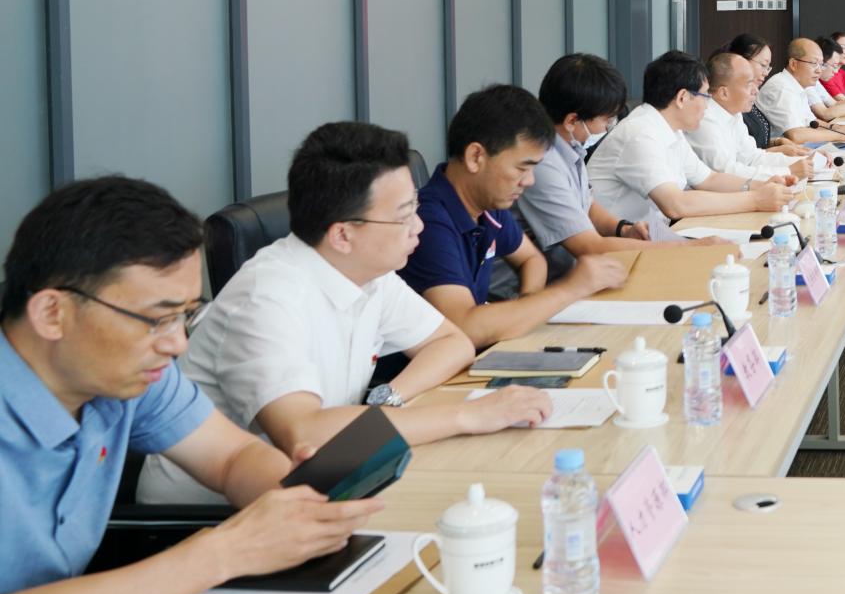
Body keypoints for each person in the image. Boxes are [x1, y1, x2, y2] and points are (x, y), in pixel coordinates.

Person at [1, 178, 386, 594]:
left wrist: (294, 501)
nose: (178, 344)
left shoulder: (127, 377)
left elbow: (232, 456)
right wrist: (223, 553)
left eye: (186, 315)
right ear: (52, 313)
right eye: (157, 319)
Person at [139, 122, 551, 505]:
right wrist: (468, 415)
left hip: (327, 481)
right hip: (214, 518)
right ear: (342, 234)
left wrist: (388, 402)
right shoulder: (266, 297)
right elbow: (306, 433)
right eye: (403, 216)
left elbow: (452, 342)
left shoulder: (369, 273)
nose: (419, 228)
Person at [399, 84, 632, 351]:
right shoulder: (428, 222)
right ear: (476, 157)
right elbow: (464, 327)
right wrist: (571, 288)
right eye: (522, 168)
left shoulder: (488, 205)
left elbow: (531, 259)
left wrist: (530, 307)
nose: (529, 181)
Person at [518, 54, 729, 280]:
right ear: (572, 121)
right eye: (605, 120)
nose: (607, 128)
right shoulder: (542, 164)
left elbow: (587, 206)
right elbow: (588, 246)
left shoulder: (570, 148)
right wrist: (688, 248)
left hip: (585, 268)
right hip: (554, 280)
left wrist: (624, 229)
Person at [590, 51, 792, 227]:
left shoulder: (671, 129)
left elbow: (708, 179)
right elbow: (676, 204)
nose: (707, 105)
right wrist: (755, 200)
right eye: (705, 96)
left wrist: (760, 185)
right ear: (682, 98)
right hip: (616, 247)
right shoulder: (640, 133)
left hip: (654, 234)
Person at [689, 51, 812, 183]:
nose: (756, 91)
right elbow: (724, 172)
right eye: (748, 84)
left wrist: (806, 161)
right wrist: (788, 171)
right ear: (724, 93)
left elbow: (751, 157)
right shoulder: (704, 118)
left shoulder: (733, 113)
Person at [755, 39, 845, 146]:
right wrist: (844, 135)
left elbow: (812, 122)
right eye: (814, 63)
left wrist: (837, 128)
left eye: (821, 64)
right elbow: (796, 135)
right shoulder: (781, 87)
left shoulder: (798, 86)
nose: (819, 70)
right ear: (793, 64)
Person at [726, 34, 795, 153]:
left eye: (768, 67)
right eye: (763, 65)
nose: (766, 73)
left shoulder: (748, 97)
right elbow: (741, 157)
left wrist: (776, 142)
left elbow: (750, 144)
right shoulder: (733, 102)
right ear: (741, 61)